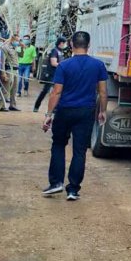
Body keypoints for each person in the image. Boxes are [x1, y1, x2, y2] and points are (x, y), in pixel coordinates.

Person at [42, 31, 107, 201]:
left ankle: (56, 183)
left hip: (64, 111)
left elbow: (56, 92)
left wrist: (49, 114)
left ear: (71, 45)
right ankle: (73, 189)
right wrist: (103, 111)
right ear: (88, 45)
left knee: (58, 145)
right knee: (79, 150)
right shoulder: (98, 65)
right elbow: (103, 91)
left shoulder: (64, 66)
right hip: (86, 112)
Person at [33, 36, 67, 112]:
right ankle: (36, 106)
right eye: (65, 43)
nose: (66, 45)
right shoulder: (54, 51)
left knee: (57, 91)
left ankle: (55, 108)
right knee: (45, 91)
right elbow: (53, 63)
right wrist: (64, 66)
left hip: (57, 74)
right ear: (61, 43)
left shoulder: (60, 51)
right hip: (51, 75)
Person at [0, 36, 20, 111]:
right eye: (16, 40)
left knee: (15, 88)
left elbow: (21, 55)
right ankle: (2, 105)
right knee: (6, 88)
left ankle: (13, 105)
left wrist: (22, 48)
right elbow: (2, 62)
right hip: (9, 69)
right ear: (12, 40)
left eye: (18, 41)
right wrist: (3, 73)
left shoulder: (16, 48)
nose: (17, 42)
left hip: (16, 70)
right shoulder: (5, 48)